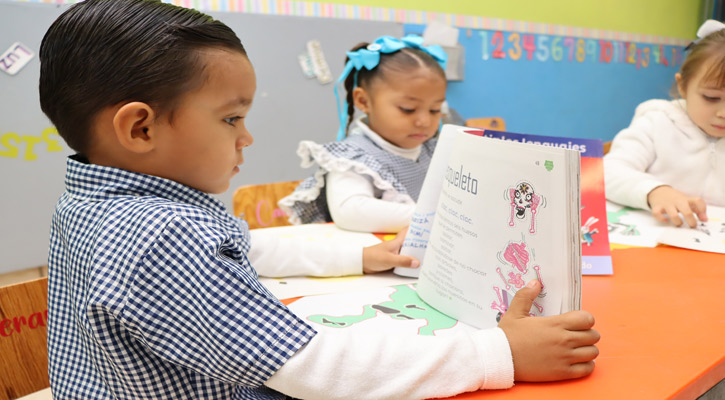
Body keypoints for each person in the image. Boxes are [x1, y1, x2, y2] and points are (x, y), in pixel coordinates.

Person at [41, 1, 599, 399]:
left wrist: (358, 257)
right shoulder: (162, 233)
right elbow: (314, 369)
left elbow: (240, 250)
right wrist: (498, 354)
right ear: (140, 129)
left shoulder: (96, 203)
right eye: (232, 118)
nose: (247, 137)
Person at [278, 35, 447, 233]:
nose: (425, 121)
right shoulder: (352, 157)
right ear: (363, 101)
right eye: (408, 109)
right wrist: (441, 220)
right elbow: (350, 211)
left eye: (435, 110)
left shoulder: (433, 150)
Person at [604, 19, 725, 228]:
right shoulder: (657, 121)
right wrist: (654, 191)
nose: (723, 113)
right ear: (683, 86)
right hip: (657, 239)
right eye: (711, 98)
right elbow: (608, 171)